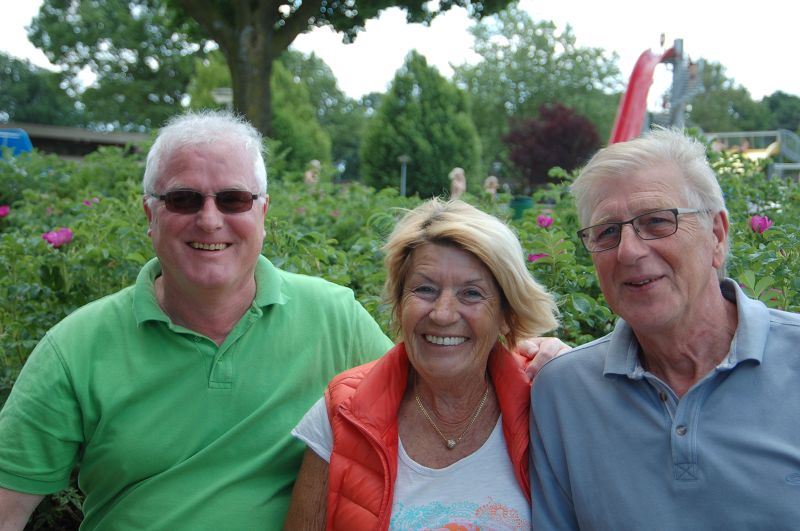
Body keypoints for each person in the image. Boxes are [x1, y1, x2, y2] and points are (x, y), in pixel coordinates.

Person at [0, 111, 565, 530]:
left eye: (233, 199)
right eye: (183, 200)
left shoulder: (331, 316)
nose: (210, 220)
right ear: (150, 213)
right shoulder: (76, 347)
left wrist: (536, 355)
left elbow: (434, 366)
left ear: (263, 212)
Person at [529, 128, 800, 530]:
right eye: (607, 232)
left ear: (717, 235)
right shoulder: (564, 394)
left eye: (657, 221)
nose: (628, 251)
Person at [285, 198, 560, 529]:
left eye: (471, 293)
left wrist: (573, 370)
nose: (442, 314)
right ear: (400, 305)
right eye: (425, 289)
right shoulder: (343, 412)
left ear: (506, 315)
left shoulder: (546, 403)